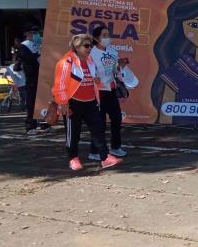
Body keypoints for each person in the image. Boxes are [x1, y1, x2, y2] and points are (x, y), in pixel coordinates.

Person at [52, 34, 123, 171]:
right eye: (86, 45)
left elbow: (93, 78)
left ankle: (105, 158)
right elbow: (59, 84)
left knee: (98, 129)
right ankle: (73, 158)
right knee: (73, 133)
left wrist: (96, 81)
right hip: (73, 102)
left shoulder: (90, 61)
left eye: (90, 45)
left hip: (90, 102)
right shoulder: (66, 62)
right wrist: (63, 102)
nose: (89, 48)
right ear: (76, 47)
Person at [88, 26, 127, 160]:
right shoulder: (91, 53)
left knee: (116, 119)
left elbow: (115, 69)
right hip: (98, 92)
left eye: (108, 35)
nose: (107, 38)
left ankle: (115, 147)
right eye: (104, 35)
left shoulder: (112, 51)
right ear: (96, 38)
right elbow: (88, 70)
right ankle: (95, 151)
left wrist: (120, 65)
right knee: (99, 123)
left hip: (111, 90)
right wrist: (94, 77)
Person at [17, 23, 43, 134]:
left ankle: (45, 122)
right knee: (31, 102)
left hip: (42, 77)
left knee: (44, 100)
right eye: (33, 33)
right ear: (26, 34)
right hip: (32, 78)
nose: (36, 35)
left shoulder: (39, 43)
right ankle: (30, 125)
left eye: (37, 32)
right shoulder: (24, 46)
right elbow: (28, 59)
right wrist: (39, 56)